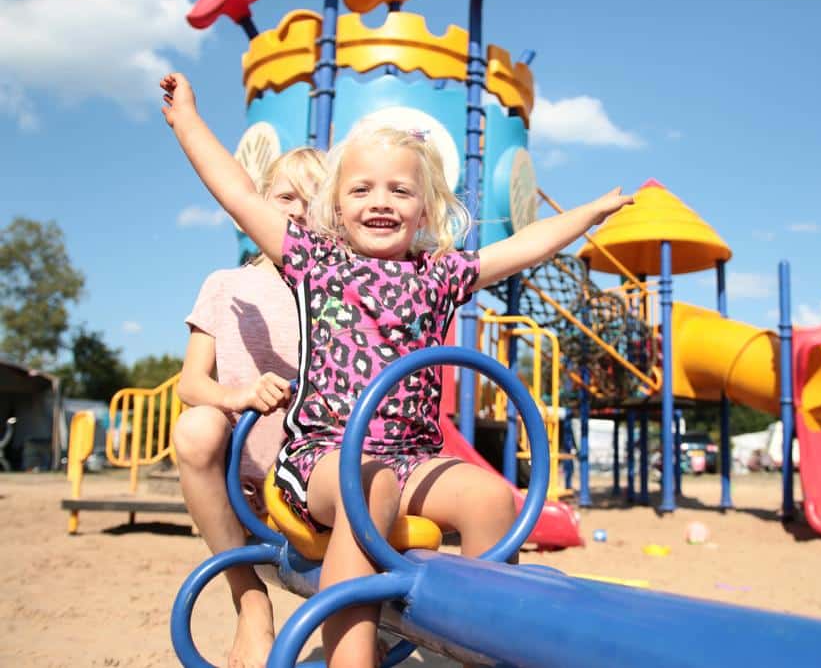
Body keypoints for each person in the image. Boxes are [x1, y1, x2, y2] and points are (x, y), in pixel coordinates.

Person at [161, 71, 632, 668]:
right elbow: (234, 190)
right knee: (368, 486)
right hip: (327, 455)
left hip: (412, 457)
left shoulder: (440, 274)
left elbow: (524, 247)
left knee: (492, 498)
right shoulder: (316, 262)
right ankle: (351, 660)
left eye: (399, 191)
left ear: (427, 208)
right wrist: (188, 122)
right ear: (334, 207)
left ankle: (471, 651)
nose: (380, 202)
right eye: (361, 190)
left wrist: (588, 212)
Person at [172, 145, 327, 668]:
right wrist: (235, 395)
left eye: (314, 201)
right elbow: (191, 383)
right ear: (261, 202)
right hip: (248, 476)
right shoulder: (227, 285)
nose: (298, 211)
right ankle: (249, 603)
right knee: (195, 429)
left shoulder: (336, 288)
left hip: (320, 474)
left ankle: (351, 622)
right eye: (286, 197)